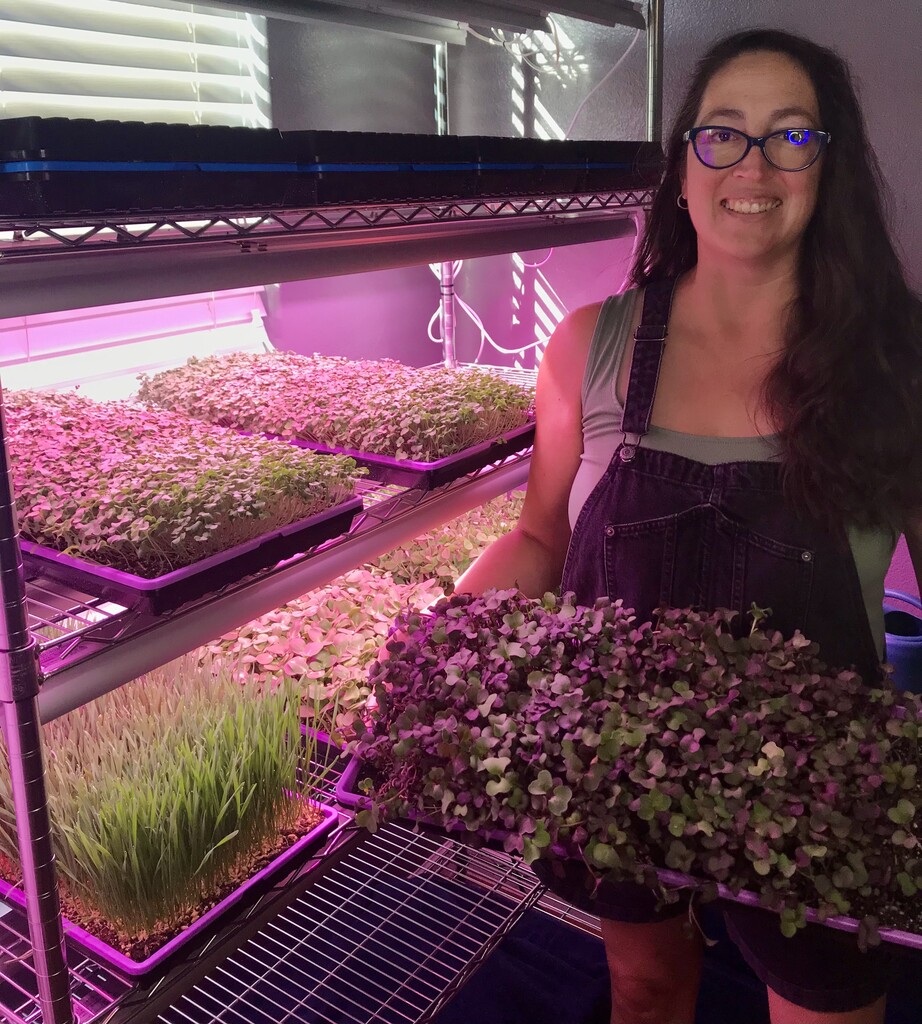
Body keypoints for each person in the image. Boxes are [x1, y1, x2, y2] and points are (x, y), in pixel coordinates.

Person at [453, 27, 922, 1024]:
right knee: (646, 985)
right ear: (682, 165)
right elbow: (540, 538)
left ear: (828, 164)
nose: (753, 165)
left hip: (816, 799)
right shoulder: (593, 344)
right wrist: (446, 640)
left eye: (790, 135)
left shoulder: (893, 366)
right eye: (723, 134)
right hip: (621, 763)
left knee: (821, 1006)